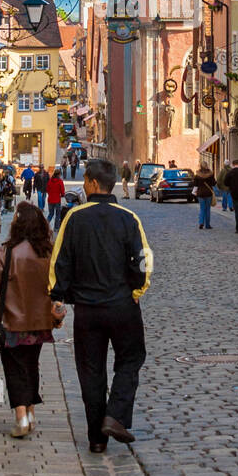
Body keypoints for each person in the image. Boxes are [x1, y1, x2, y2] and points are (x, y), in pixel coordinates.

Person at [49, 158, 152, 453]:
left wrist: (57, 297)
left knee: (91, 370)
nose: (82, 183)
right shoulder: (128, 218)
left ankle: (97, 437)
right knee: (131, 359)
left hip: (87, 310)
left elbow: (60, 261)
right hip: (123, 306)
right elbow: (144, 259)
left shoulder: (75, 218)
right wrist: (138, 289)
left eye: (84, 179)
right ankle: (115, 415)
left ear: (94, 184)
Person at [0, 202, 66, 439]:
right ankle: (30, 414)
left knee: (14, 368)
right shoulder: (48, 253)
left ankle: (21, 417)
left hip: (11, 321)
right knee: (31, 365)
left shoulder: (5, 252)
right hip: (39, 323)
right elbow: (56, 285)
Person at [193, 163, 216, 230]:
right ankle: (207, 224)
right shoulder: (210, 174)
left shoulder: (197, 175)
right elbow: (213, 183)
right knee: (208, 209)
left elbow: (195, 184)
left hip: (200, 193)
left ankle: (201, 222)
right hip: (208, 193)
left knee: (202, 208)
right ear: (207, 166)